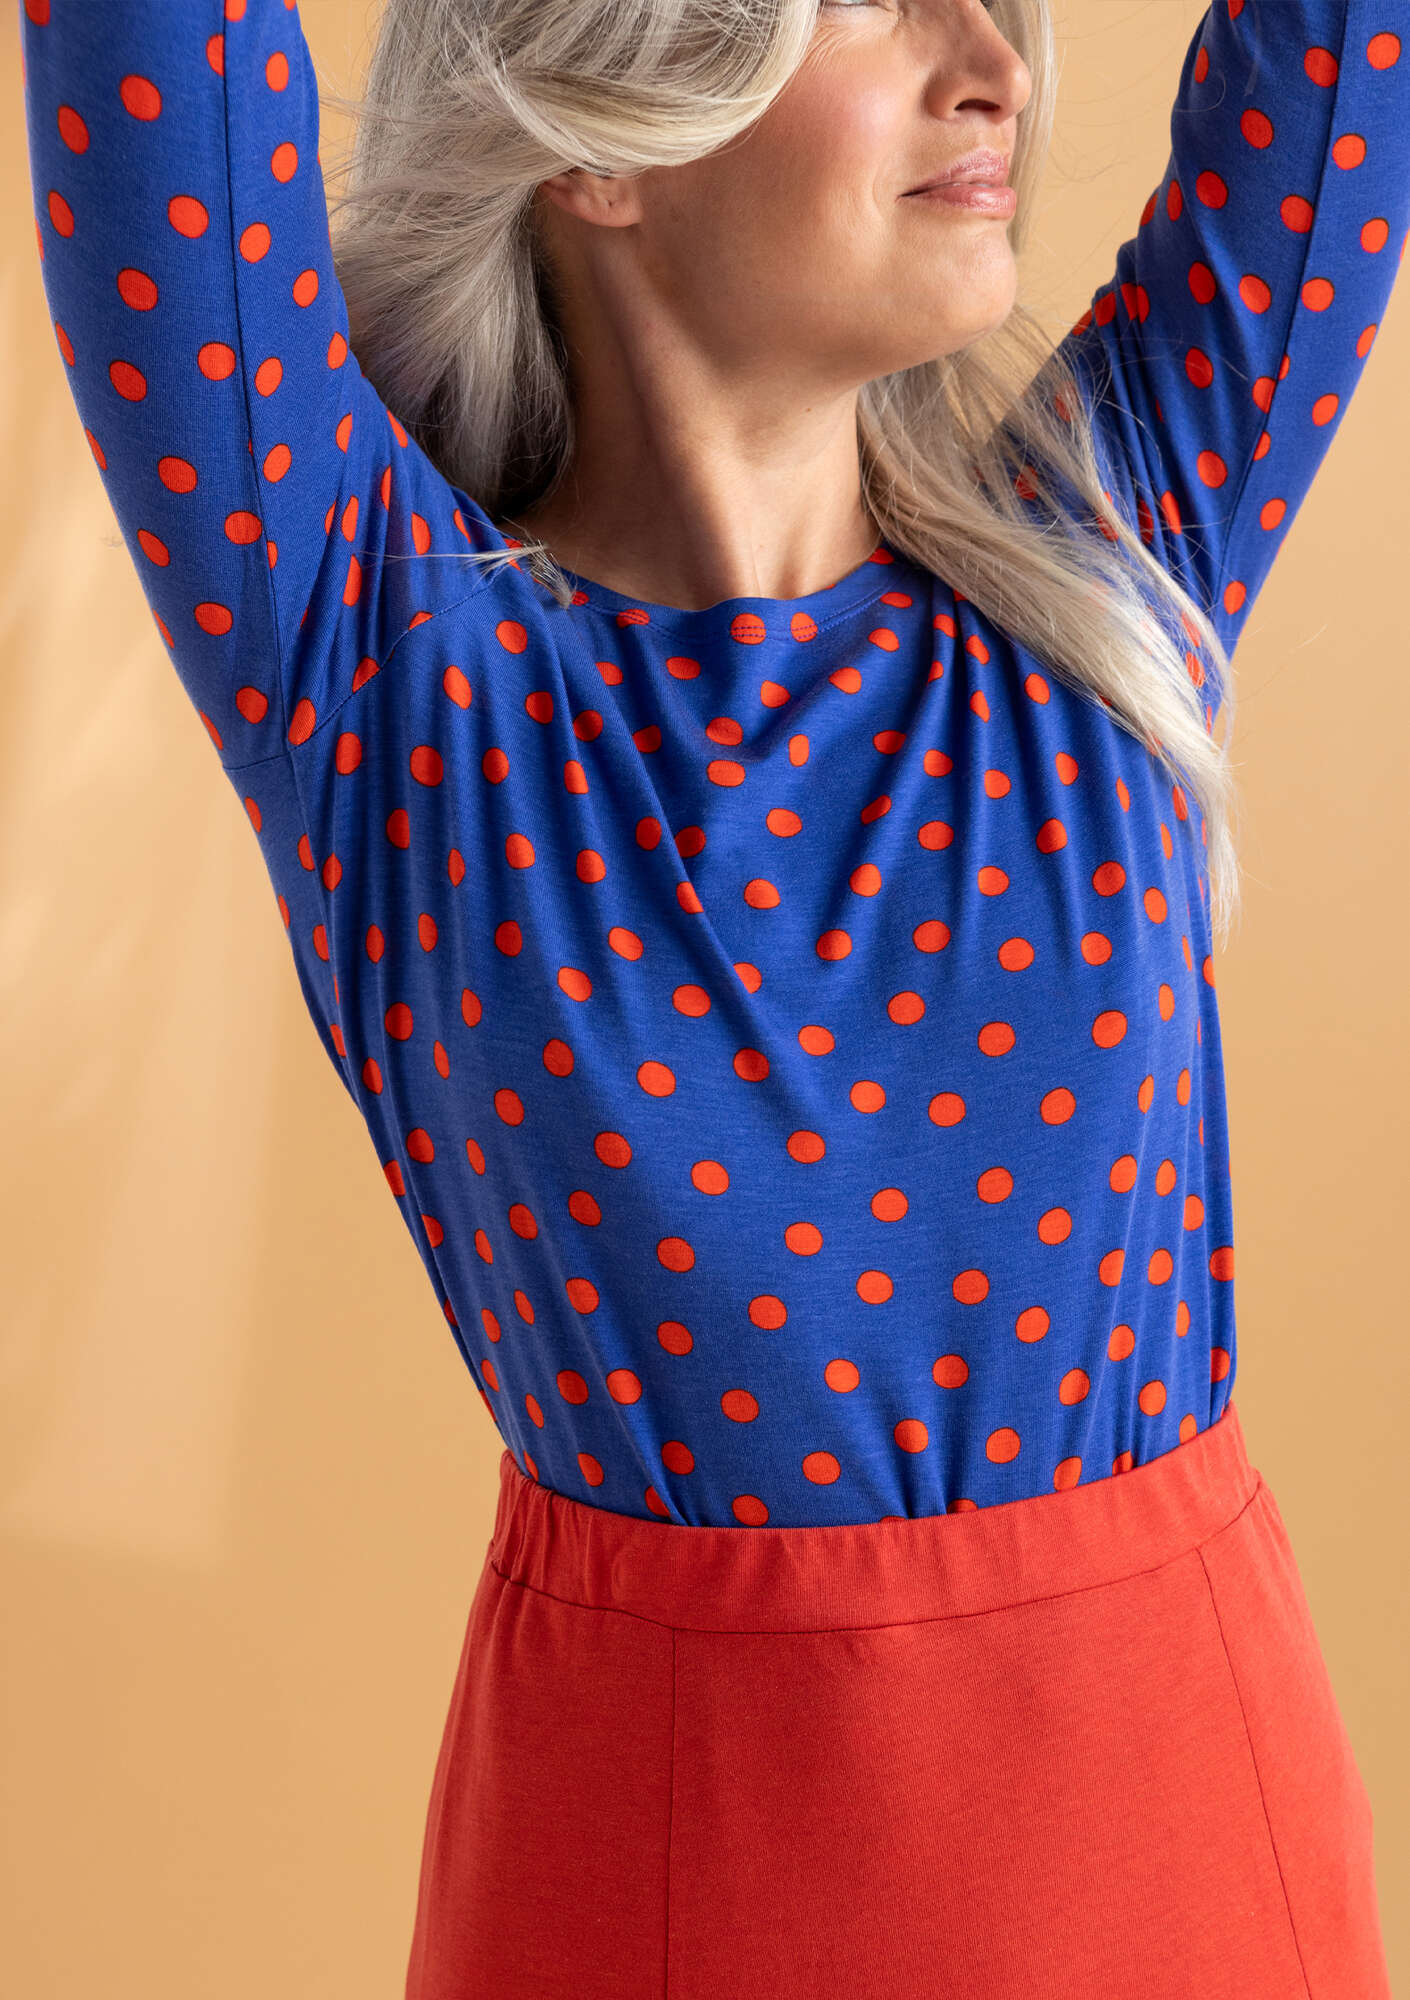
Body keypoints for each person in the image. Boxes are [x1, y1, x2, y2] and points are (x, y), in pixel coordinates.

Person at [20, 0, 1401, 1992]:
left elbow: (1345, 63)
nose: (994, 66)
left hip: (1188, 1840)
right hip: (663, 1874)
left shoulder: (1111, 564)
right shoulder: (394, 675)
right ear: (602, 134)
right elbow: (155, 68)